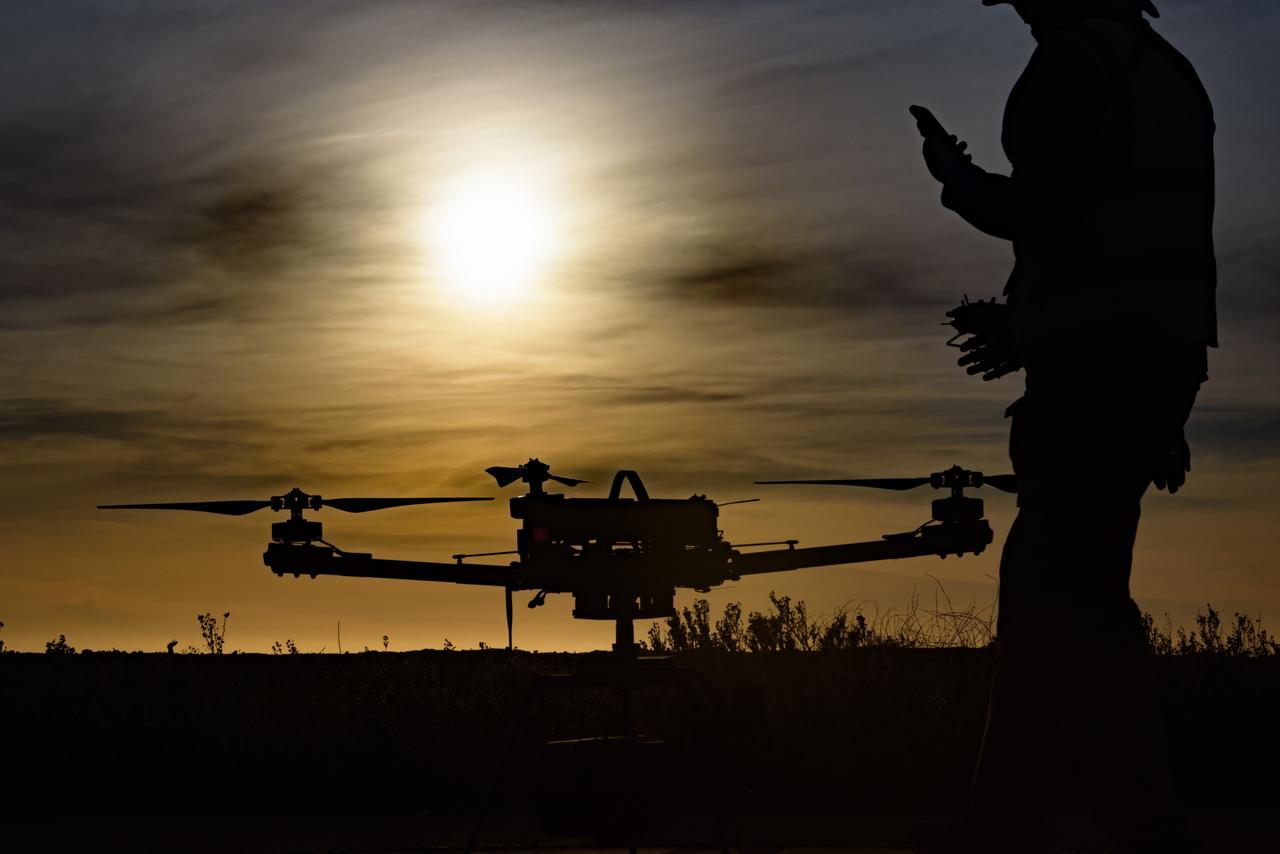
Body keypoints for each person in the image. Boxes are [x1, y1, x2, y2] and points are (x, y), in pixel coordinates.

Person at [908, 2, 1216, 852]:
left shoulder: (1072, 65)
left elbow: (1043, 212)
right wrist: (1035, 328)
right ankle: (1007, 817)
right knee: (1043, 591)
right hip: (1143, 373)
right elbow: (1140, 247)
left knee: (1074, 601)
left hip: (1090, 385)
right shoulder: (1167, 72)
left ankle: (1142, 825)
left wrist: (954, 179)